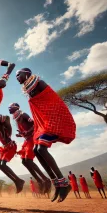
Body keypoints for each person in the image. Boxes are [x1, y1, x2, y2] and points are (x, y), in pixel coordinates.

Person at [16, 68, 76, 202]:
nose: (17, 77)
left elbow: (52, 100)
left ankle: (64, 183)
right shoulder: (29, 89)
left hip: (53, 119)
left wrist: (47, 120)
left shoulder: (39, 83)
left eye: (18, 74)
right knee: (37, 150)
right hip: (44, 122)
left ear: (27, 73)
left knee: (41, 148)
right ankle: (57, 184)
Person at [8, 103, 51, 194]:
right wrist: (21, 134)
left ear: (16, 108)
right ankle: (39, 180)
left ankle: (45, 179)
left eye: (10, 107)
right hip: (27, 140)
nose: (9, 109)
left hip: (32, 138)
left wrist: (28, 131)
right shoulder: (16, 118)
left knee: (28, 160)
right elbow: (25, 130)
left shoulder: (23, 114)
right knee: (24, 161)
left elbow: (35, 124)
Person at [0, 115, 25, 193]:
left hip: (11, 147)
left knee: (3, 164)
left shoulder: (6, 128)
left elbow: (5, 137)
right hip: (4, 148)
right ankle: (17, 181)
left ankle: (18, 180)